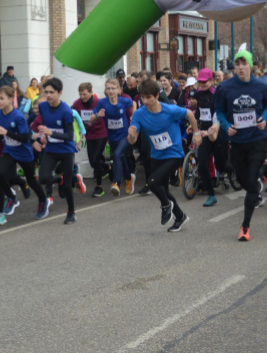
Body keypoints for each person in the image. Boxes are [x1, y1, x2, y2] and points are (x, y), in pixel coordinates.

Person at [213, 49, 267, 242]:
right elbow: (220, 111)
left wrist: (265, 118)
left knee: (252, 188)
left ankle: (245, 226)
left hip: (257, 139)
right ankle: (265, 170)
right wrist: (226, 125)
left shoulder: (261, 86)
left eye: (243, 63)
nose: (240, 68)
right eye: (237, 64)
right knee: (243, 180)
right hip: (237, 142)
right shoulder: (225, 87)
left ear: (250, 65)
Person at [127, 78, 200, 232]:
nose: (145, 101)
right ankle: (180, 217)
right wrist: (132, 135)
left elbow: (189, 114)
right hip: (156, 155)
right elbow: (133, 137)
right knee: (164, 191)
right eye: (143, 97)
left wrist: (197, 133)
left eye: (149, 97)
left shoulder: (170, 110)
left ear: (156, 96)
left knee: (152, 183)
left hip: (174, 154)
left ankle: (166, 205)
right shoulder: (139, 114)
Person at [0, 86, 49, 225]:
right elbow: (0, 133)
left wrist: (6, 133)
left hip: (24, 153)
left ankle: (43, 201)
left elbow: (25, 138)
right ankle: (12, 198)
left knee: (32, 181)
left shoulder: (18, 116)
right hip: (9, 151)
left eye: (2, 98)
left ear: (10, 99)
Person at [37, 78, 78, 224]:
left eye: (51, 92)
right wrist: (43, 134)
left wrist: (50, 133)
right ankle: (60, 179)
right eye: (46, 92)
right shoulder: (42, 107)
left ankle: (71, 212)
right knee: (43, 178)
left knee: (67, 187)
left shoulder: (66, 111)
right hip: (52, 150)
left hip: (66, 151)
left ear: (59, 93)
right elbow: (44, 124)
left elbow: (69, 136)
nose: (48, 95)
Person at [92, 79, 135, 196]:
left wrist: (133, 119)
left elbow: (133, 103)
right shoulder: (102, 103)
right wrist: (97, 115)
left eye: (113, 88)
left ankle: (116, 182)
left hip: (124, 135)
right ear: (105, 90)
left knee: (116, 155)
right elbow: (91, 118)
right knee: (120, 157)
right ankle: (129, 177)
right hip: (112, 136)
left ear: (118, 90)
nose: (111, 91)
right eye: (108, 88)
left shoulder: (124, 101)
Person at [193, 68, 228, 208]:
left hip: (218, 133)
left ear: (212, 80)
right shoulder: (198, 94)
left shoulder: (217, 93)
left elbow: (220, 112)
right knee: (202, 163)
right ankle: (211, 195)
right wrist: (193, 125)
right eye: (200, 81)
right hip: (203, 133)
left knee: (222, 166)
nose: (202, 84)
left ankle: (235, 171)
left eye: (205, 81)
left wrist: (214, 127)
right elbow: (199, 111)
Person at [72, 82, 110, 197]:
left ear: (91, 93)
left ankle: (99, 187)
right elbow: (76, 121)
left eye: (84, 94)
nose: (82, 97)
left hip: (101, 133)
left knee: (96, 159)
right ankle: (108, 167)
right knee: (93, 162)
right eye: (80, 94)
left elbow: (108, 116)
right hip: (89, 135)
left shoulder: (99, 103)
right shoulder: (77, 104)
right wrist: (78, 137)